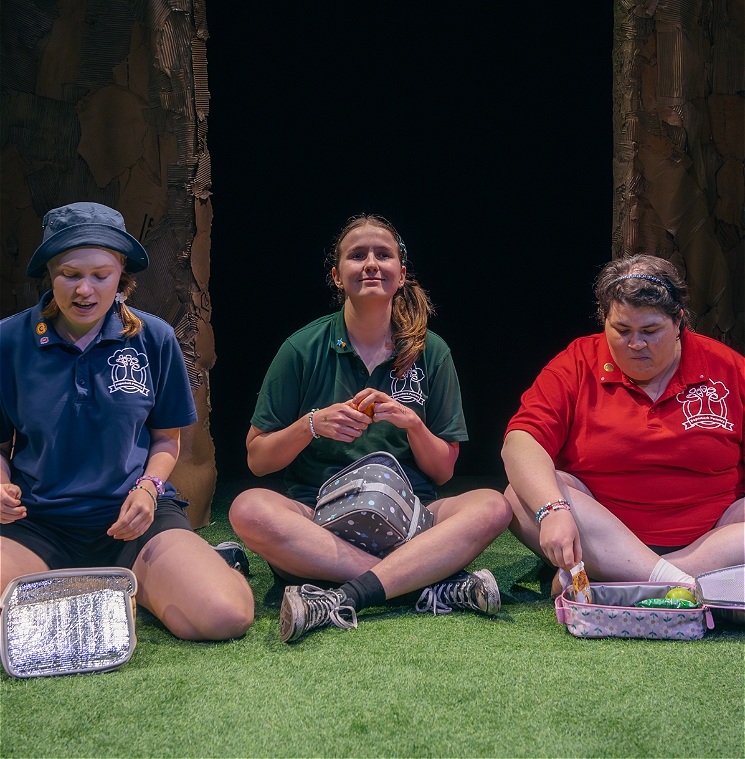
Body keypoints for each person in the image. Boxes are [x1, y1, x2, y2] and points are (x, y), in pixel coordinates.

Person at [229, 214, 511, 642]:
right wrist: (312, 425)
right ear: (337, 276)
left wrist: (412, 423)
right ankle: (424, 583)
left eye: (384, 255)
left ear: (401, 274)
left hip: (413, 518)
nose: (371, 264)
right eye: (357, 256)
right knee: (248, 509)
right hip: (320, 519)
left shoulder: (431, 352)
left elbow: (443, 472)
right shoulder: (301, 349)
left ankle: (347, 594)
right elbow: (257, 458)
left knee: (493, 505)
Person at [0, 202, 254, 641]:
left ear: (122, 275)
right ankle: (109, 592)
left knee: (223, 616)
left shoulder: (154, 338)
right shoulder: (8, 340)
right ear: (49, 274)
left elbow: (167, 441)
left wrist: (148, 489)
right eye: (70, 274)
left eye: (101, 274)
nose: (85, 289)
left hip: (134, 523)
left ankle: (192, 565)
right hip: (38, 527)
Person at [502, 254, 744, 593]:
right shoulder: (576, 361)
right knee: (521, 495)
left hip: (712, 541)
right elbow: (521, 441)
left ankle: (625, 582)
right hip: (600, 537)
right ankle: (685, 585)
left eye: (650, 330)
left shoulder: (729, 368)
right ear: (604, 321)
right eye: (622, 330)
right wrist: (554, 510)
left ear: (679, 323)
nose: (636, 344)